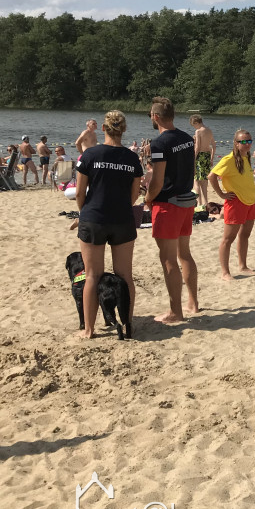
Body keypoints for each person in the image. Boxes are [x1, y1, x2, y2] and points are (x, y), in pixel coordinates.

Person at [75, 111, 143, 338]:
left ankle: (89, 330)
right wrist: (121, 207)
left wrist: (84, 212)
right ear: (124, 130)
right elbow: (135, 194)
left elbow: (79, 192)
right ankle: (128, 323)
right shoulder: (132, 158)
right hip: (122, 219)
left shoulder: (90, 154)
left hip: (94, 218)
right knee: (125, 275)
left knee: (92, 275)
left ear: (103, 128)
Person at [146, 97, 199, 324]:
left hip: (168, 204)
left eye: (150, 115)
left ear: (156, 117)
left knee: (168, 259)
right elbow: (189, 170)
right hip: (186, 200)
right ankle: (193, 303)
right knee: (184, 253)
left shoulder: (159, 143)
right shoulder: (187, 138)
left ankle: (176, 311)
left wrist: (148, 198)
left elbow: (157, 181)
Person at [210, 130, 255, 281]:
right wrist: (221, 195)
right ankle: (225, 272)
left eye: (249, 141)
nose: (247, 144)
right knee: (228, 239)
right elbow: (212, 176)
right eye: (243, 141)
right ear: (236, 143)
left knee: (245, 235)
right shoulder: (229, 159)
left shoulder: (246, 157)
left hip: (250, 201)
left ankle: (243, 266)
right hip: (236, 202)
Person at [190, 114, 215, 208]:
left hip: (199, 156)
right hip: (207, 156)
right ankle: (206, 203)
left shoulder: (198, 131)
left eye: (193, 125)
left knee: (196, 180)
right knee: (204, 181)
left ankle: (199, 203)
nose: (194, 127)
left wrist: (193, 158)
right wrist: (212, 159)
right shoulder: (209, 130)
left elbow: (197, 147)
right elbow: (214, 146)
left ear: (196, 122)